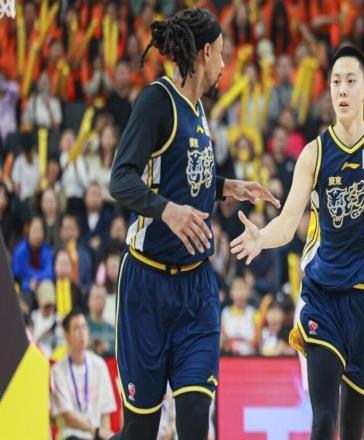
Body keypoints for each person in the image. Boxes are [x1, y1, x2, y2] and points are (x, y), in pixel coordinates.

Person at [230, 45, 364, 439]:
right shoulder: (314, 154)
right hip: (322, 297)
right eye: (336, 81)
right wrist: (261, 237)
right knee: (324, 420)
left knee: (354, 430)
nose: (342, 89)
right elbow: (287, 222)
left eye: (350, 81)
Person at [109, 8, 279, 440]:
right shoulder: (156, 101)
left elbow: (185, 177)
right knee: (140, 430)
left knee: (194, 424)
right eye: (221, 53)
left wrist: (228, 187)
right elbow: (121, 179)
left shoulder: (199, 108)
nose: (224, 64)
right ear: (205, 53)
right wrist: (167, 210)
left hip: (197, 289)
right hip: (147, 285)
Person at [51, 309, 116, 440]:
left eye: (84, 327)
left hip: (97, 435)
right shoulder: (58, 370)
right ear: (66, 335)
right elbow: (68, 417)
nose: (82, 333)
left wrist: (105, 435)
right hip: (72, 435)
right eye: (76, 328)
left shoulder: (99, 365)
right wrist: (95, 431)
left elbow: (105, 413)